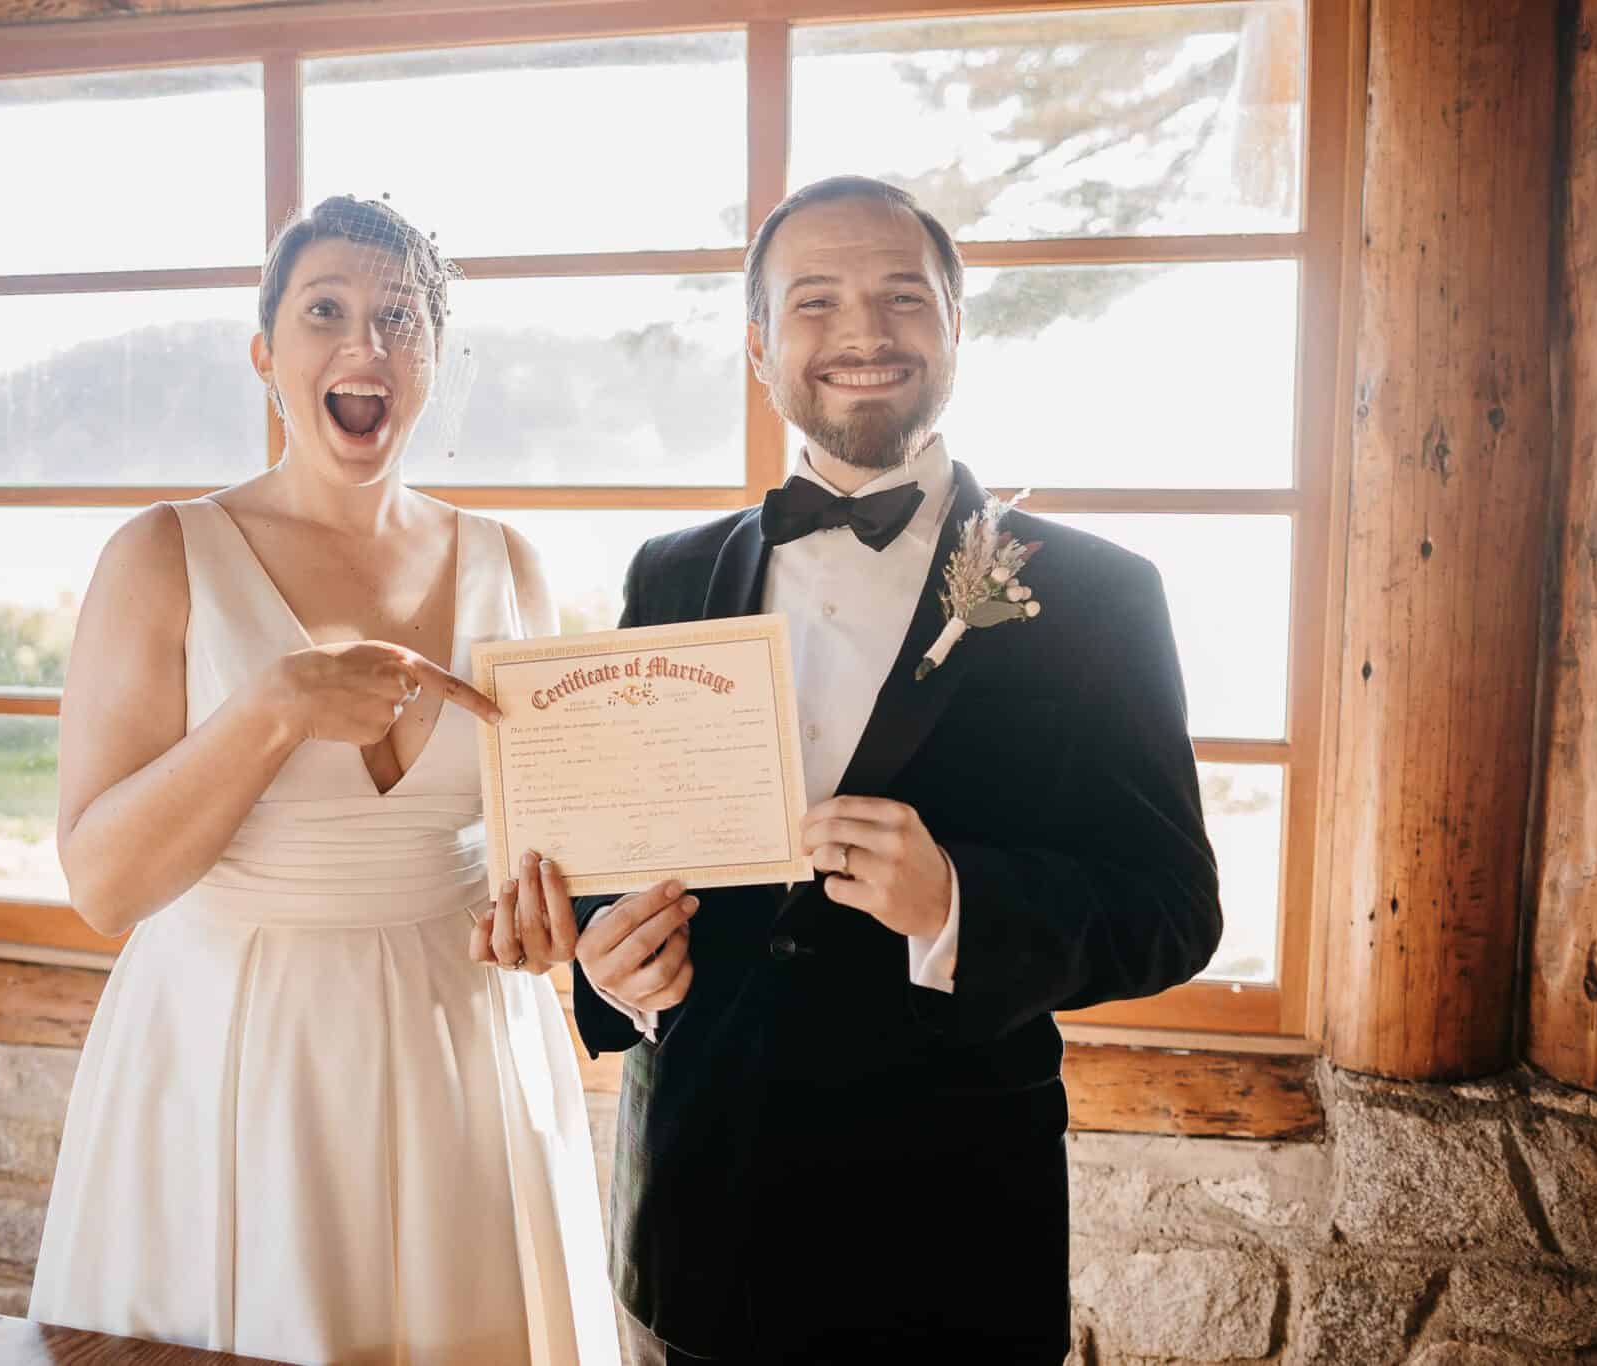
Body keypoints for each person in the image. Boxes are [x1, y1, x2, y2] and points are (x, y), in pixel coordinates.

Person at [483, 175, 1222, 1362]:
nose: (863, 334)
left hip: (952, 1239)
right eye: (814, 301)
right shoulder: (668, 574)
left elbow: (1172, 912)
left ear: (955, 327)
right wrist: (611, 967)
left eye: (900, 297)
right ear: (759, 345)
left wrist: (956, 905)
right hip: (693, 1224)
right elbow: (610, 863)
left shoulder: (1098, 595)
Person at [29, 196, 618, 1366]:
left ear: (433, 363)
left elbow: (528, 857)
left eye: (400, 318)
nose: (366, 346)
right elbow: (103, 884)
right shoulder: (161, 555)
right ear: (266, 356)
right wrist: (272, 708)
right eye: (326, 314)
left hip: (463, 1047)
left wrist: (546, 920)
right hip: (236, 1053)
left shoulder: (509, 563)